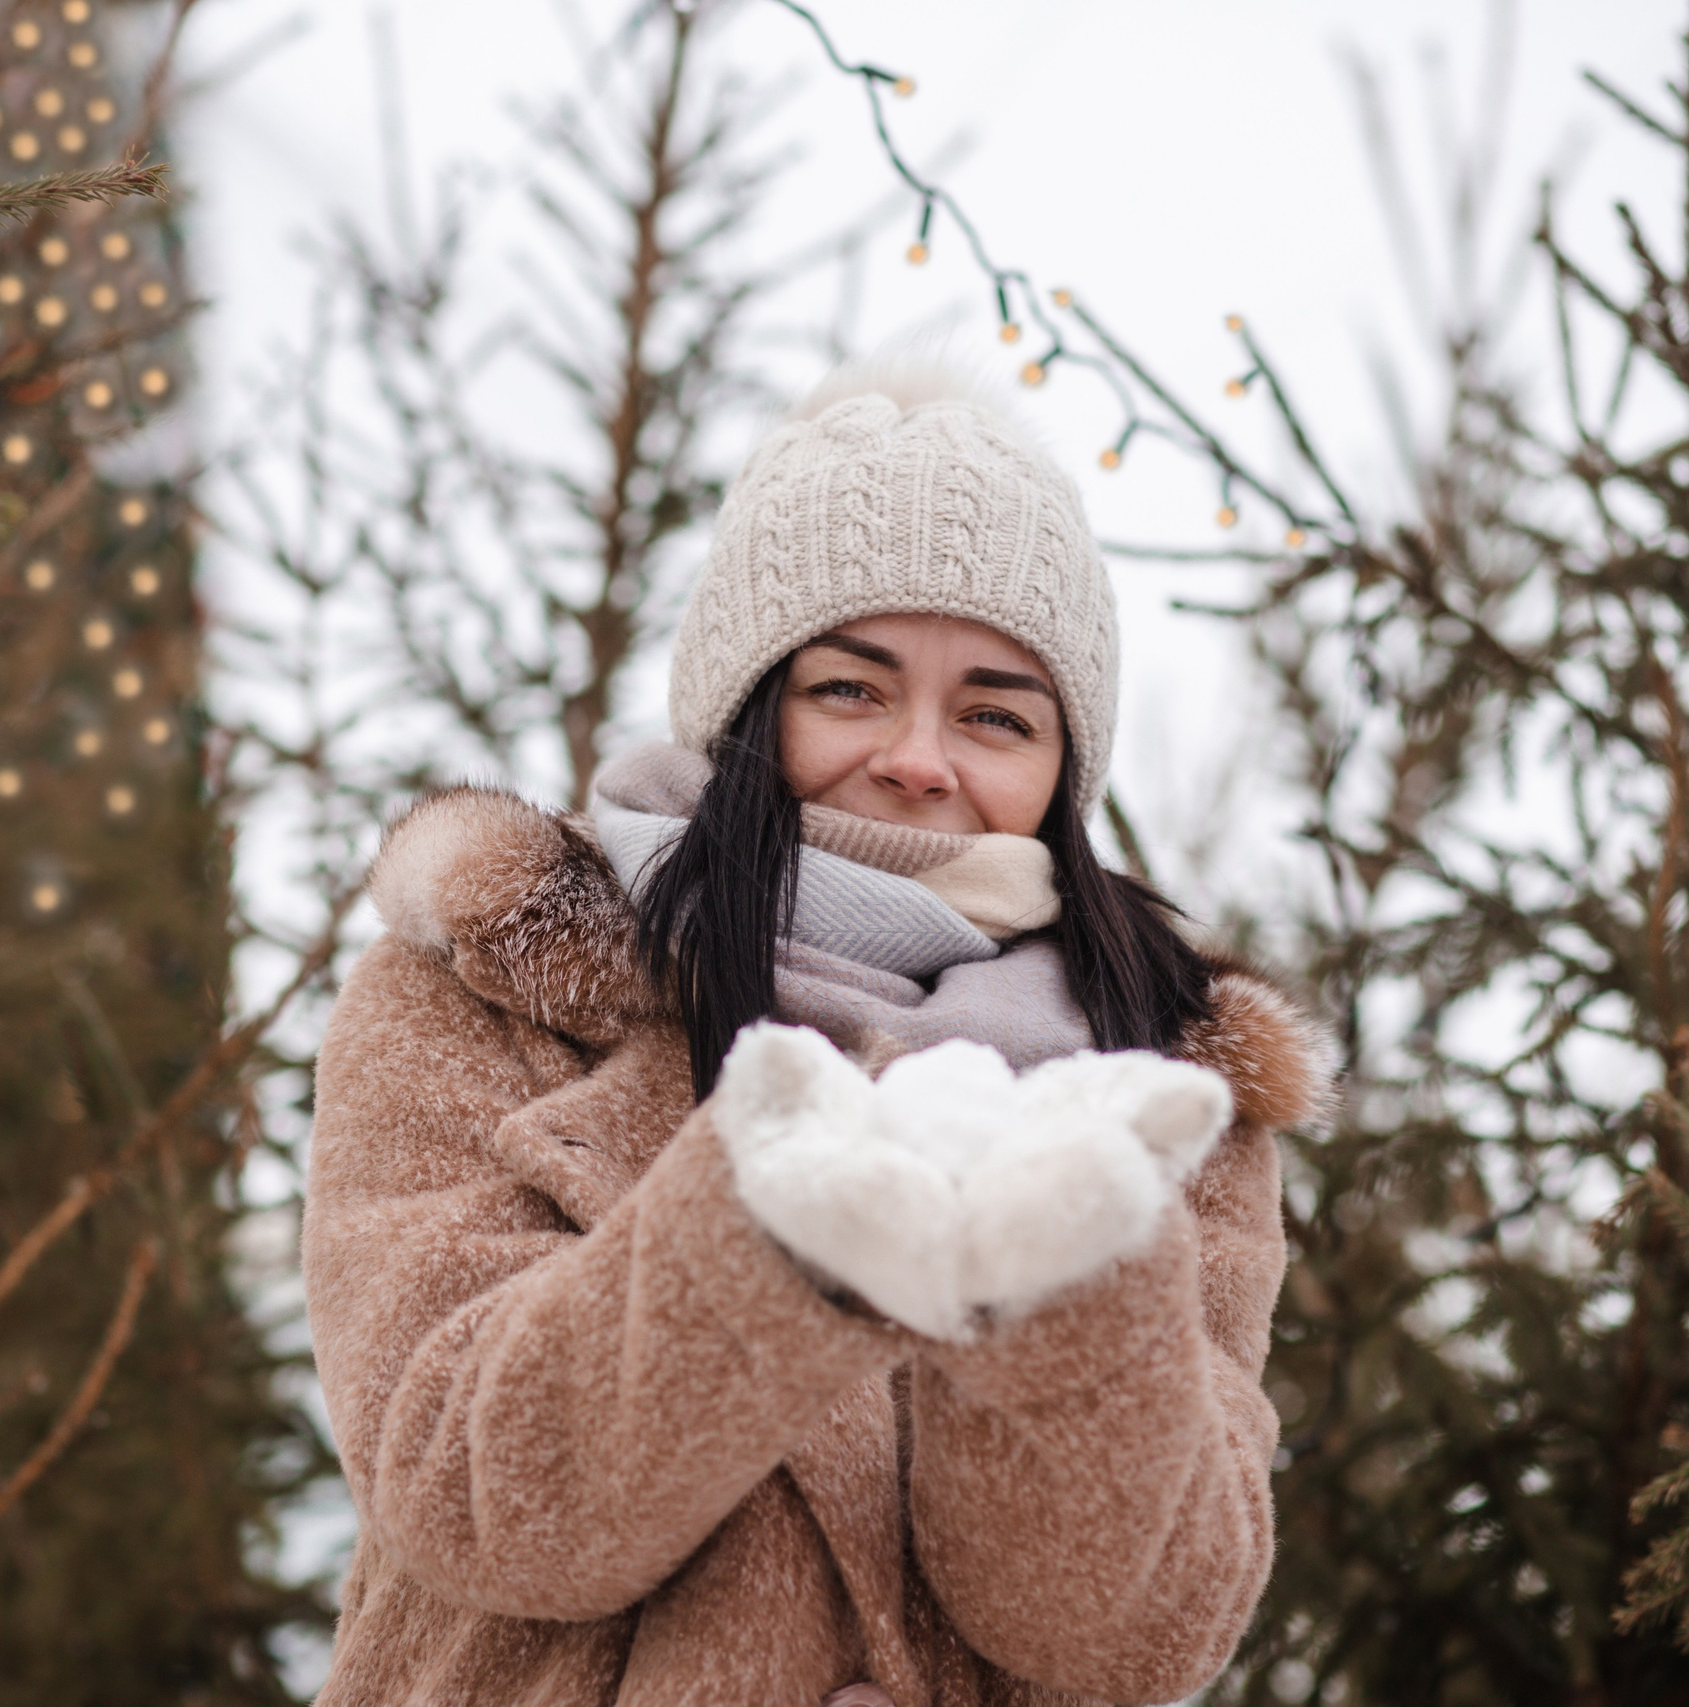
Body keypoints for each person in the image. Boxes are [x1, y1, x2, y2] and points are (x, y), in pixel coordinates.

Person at [301, 360, 1338, 1707]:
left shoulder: (1155, 1079)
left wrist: (1058, 1269)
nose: (920, 757)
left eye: (996, 714)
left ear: (1061, 773)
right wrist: (777, 1231)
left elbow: (1139, 1636)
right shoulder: (482, 984)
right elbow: (467, 1493)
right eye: (850, 688)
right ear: (748, 705)